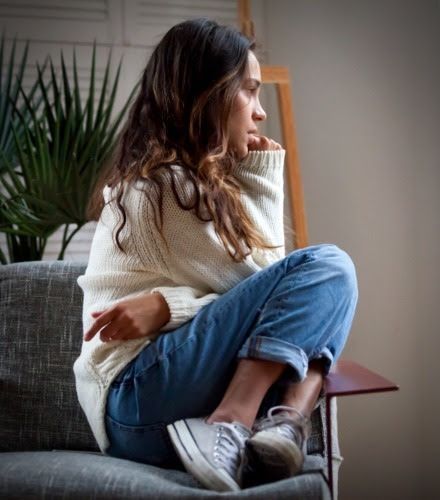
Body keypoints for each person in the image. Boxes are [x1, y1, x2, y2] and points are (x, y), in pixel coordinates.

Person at [73, 18, 358, 492]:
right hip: (137, 397)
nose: (260, 113)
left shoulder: (192, 185)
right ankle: (239, 419)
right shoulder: (162, 188)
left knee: (319, 302)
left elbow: (276, 306)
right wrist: (265, 174)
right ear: (208, 94)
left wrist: (169, 307)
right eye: (249, 91)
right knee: (330, 268)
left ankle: (283, 425)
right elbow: (276, 284)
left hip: (155, 405)